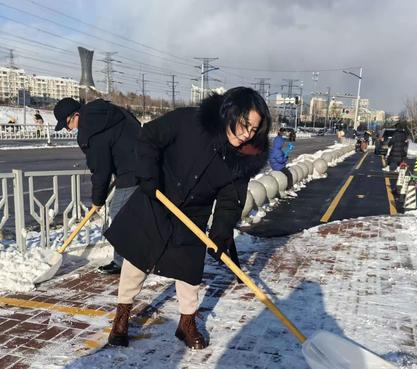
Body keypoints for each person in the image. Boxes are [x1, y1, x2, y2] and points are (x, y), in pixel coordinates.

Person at [103, 87, 271, 349]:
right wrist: (148, 176)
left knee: (189, 272)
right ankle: (122, 316)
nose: (247, 134)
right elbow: (148, 137)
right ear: (230, 113)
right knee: (136, 260)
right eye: (244, 125)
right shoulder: (189, 121)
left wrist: (221, 234)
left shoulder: (242, 157)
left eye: (254, 129)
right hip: (157, 197)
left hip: (193, 214)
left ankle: (186, 323)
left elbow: (230, 200)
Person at [53, 97, 141, 274]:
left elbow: (101, 169)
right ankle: (136, 258)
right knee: (137, 215)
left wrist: (98, 200)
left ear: (75, 115)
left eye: (67, 123)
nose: (69, 128)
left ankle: (123, 263)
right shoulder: (107, 112)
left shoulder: (90, 130)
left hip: (132, 172)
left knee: (118, 217)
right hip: (145, 161)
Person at [268, 127, 295, 193]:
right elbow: (281, 160)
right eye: (282, 144)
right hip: (277, 166)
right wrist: (285, 158)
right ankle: (289, 188)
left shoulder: (274, 149)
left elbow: (281, 155)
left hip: (274, 164)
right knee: (289, 174)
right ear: (279, 144)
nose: (282, 144)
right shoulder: (277, 151)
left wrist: (286, 152)